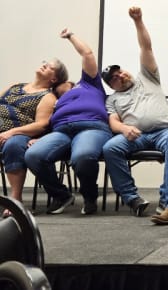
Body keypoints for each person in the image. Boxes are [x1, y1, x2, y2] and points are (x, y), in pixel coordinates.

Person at [102, 7, 168, 223]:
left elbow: (145, 46)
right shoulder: (112, 99)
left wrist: (138, 20)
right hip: (136, 136)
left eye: (120, 71)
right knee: (110, 148)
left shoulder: (147, 77)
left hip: (164, 132)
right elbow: (113, 122)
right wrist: (124, 128)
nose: (120, 76)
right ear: (111, 86)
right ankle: (132, 199)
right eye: (114, 78)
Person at [25, 29, 112, 216]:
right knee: (33, 155)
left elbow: (87, 54)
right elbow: (46, 121)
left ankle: (89, 197)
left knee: (82, 157)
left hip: (91, 126)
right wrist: (41, 138)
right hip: (61, 132)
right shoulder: (53, 99)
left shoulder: (89, 84)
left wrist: (70, 36)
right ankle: (61, 195)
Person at [0, 58, 68, 214]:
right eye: (45, 62)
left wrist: (10, 132)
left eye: (50, 67)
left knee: (13, 145)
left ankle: (16, 200)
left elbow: (41, 124)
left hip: (19, 133)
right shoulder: (15, 86)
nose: (44, 65)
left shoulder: (47, 97)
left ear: (54, 79)